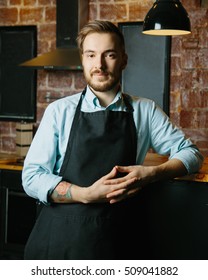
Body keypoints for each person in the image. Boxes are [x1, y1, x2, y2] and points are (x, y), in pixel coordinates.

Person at [22, 20, 203, 260]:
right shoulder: (59, 111)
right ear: (83, 60)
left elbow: (191, 154)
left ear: (124, 60)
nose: (99, 65)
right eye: (91, 55)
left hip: (118, 242)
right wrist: (85, 194)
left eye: (109, 54)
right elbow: (32, 176)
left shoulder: (144, 110)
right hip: (59, 245)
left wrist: (152, 174)